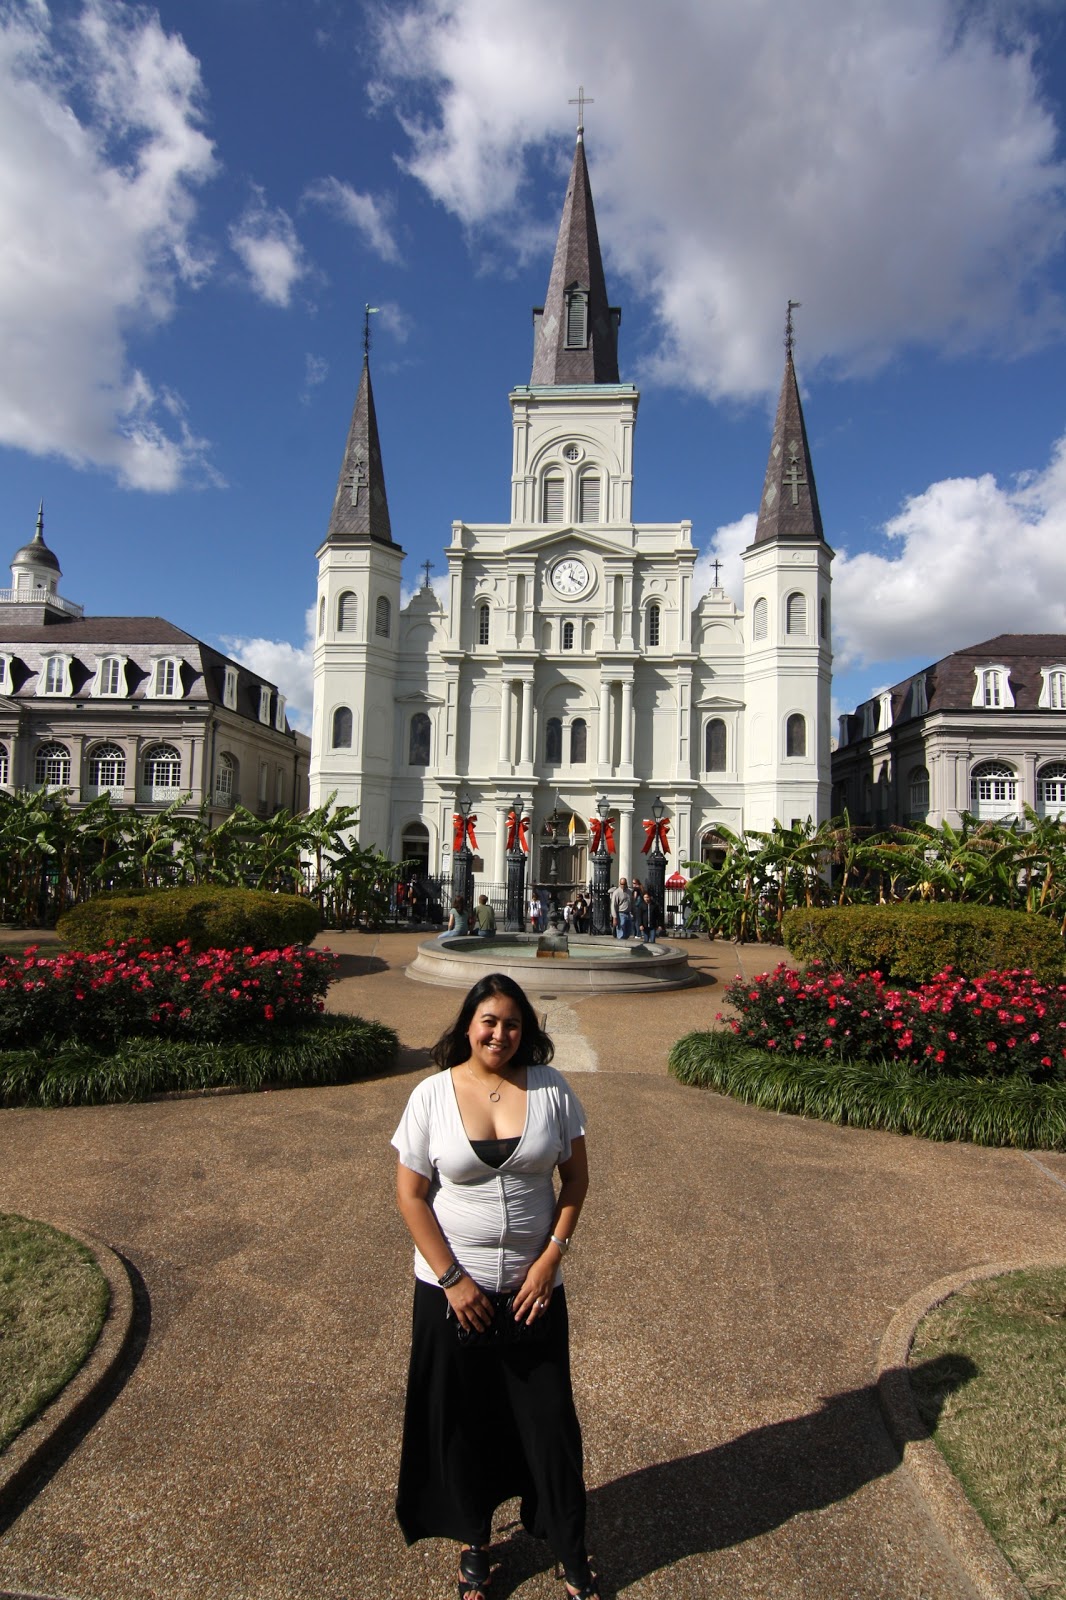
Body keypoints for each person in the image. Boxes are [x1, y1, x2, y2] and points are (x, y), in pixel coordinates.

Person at [392, 975, 599, 1600]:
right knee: (465, 1421)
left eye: (511, 1024)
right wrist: (453, 1280)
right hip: (452, 1293)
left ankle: (568, 1546)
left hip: (532, 1290)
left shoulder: (552, 1090)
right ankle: (475, 1542)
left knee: (549, 1424)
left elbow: (576, 1183)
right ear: (467, 1024)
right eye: (488, 1021)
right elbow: (410, 1194)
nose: (499, 1034)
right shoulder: (431, 1095)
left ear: (526, 1030)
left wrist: (549, 1260)